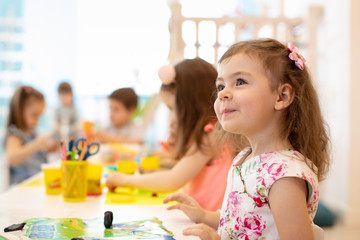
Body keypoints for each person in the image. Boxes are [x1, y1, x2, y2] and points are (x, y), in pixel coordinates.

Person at [163, 39, 331, 239]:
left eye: (240, 82)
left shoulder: (283, 177)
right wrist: (204, 215)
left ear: (282, 96)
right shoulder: (245, 158)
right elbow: (247, 223)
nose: (223, 93)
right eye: (220, 86)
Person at [106, 58, 238, 211]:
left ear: (192, 107)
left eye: (172, 109)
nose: (172, 119)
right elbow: (184, 169)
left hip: (206, 226)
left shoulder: (210, 136)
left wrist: (125, 180)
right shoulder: (210, 133)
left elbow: (172, 180)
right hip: (196, 219)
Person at [4, 86, 58, 184]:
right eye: (34, 115)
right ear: (20, 110)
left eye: (39, 115)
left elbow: (33, 155)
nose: (37, 120)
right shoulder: (15, 134)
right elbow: (12, 158)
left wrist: (47, 148)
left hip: (36, 183)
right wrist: (35, 145)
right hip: (23, 188)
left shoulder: (31, 133)